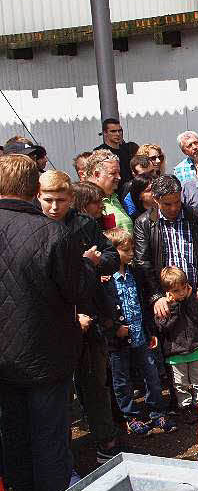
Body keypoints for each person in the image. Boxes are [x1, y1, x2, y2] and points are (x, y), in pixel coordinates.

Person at [0, 154, 85, 491]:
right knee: (49, 437)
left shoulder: (52, 233)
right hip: (46, 354)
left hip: (7, 357)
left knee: (15, 433)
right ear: (36, 190)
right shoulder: (53, 233)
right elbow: (77, 291)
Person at [134, 174, 198, 409]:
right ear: (156, 200)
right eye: (167, 203)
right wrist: (156, 296)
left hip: (195, 293)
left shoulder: (196, 217)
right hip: (167, 298)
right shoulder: (145, 223)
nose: (174, 207)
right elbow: (143, 263)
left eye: (177, 202)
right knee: (173, 348)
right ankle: (182, 400)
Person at [43, 173, 120, 464]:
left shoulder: (84, 224)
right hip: (56, 322)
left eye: (60, 200)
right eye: (48, 200)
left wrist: (98, 260)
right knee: (60, 394)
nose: (53, 207)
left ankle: (106, 441)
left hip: (92, 316)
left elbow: (112, 255)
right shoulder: (38, 228)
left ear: (70, 199)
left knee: (94, 383)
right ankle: (63, 455)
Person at [102, 227, 175, 435]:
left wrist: (149, 330)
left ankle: (157, 412)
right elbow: (100, 309)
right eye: (126, 250)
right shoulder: (104, 279)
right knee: (122, 380)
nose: (132, 252)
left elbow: (143, 304)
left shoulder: (135, 273)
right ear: (113, 251)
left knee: (151, 374)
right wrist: (115, 328)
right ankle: (131, 416)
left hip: (140, 334)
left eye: (132, 248)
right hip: (118, 341)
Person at [153, 267, 198, 424]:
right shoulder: (164, 307)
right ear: (167, 292)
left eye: (184, 288)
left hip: (196, 348)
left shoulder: (191, 299)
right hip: (176, 353)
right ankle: (185, 408)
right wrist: (173, 307)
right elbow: (163, 327)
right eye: (176, 290)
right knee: (181, 384)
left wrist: (191, 299)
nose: (181, 293)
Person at [86, 149, 132, 233]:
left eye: (119, 173)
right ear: (97, 174)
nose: (119, 177)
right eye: (113, 173)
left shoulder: (115, 198)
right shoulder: (87, 201)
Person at [94, 117, 133, 189]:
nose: (118, 134)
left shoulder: (126, 149)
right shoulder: (100, 152)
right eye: (113, 131)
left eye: (120, 130)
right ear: (105, 133)